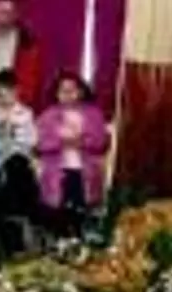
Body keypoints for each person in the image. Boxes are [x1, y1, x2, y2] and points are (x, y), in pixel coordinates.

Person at [36, 71, 109, 238]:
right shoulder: (48, 115)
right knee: (57, 211)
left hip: (85, 171)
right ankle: (59, 240)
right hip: (57, 170)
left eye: (72, 90)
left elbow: (101, 142)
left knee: (81, 210)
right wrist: (61, 142)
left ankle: (79, 238)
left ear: (81, 92)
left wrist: (81, 142)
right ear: (56, 93)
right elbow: (40, 144)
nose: (68, 94)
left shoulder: (94, 114)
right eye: (63, 90)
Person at [0, 69, 37, 166]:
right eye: (0, 93)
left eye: (9, 91)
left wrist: (14, 133)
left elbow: (33, 140)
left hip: (20, 161)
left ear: (16, 91)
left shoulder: (26, 113)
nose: (5, 96)